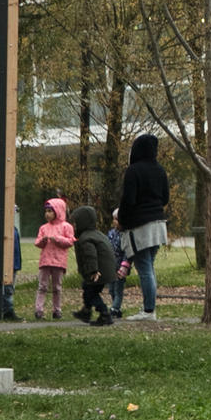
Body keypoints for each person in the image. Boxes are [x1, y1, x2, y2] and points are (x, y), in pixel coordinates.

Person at [112, 134, 170, 320]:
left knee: (144, 268)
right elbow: (165, 197)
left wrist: (122, 220)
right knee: (149, 267)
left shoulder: (133, 171)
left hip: (140, 227)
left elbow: (128, 200)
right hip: (159, 225)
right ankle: (149, 308)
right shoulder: (160, 170)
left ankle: (148, 310)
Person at [72, 205, 119, 326]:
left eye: (76, 223)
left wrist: (93, 270)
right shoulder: (97, 234)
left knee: (91, 293)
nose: (74, 227)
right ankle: (86, 311)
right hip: (106, 270)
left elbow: (90, 255)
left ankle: (104, 314)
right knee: (87, 288)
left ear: (83, 222)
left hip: (98, 272)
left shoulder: (86, 238)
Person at [34, 195, 76, 320]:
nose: (47, 214)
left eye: (50, 211)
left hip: (59, 262)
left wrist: (57, 239)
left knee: (57, 287)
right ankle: (39, 310)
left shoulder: (66, 226)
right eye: (46, 211)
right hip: (45, 261)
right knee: (42, 286)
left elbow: (70, 241)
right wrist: (43, 240)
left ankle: (57, 310)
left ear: (58, 211)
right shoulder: (43, 228)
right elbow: (37, 243)